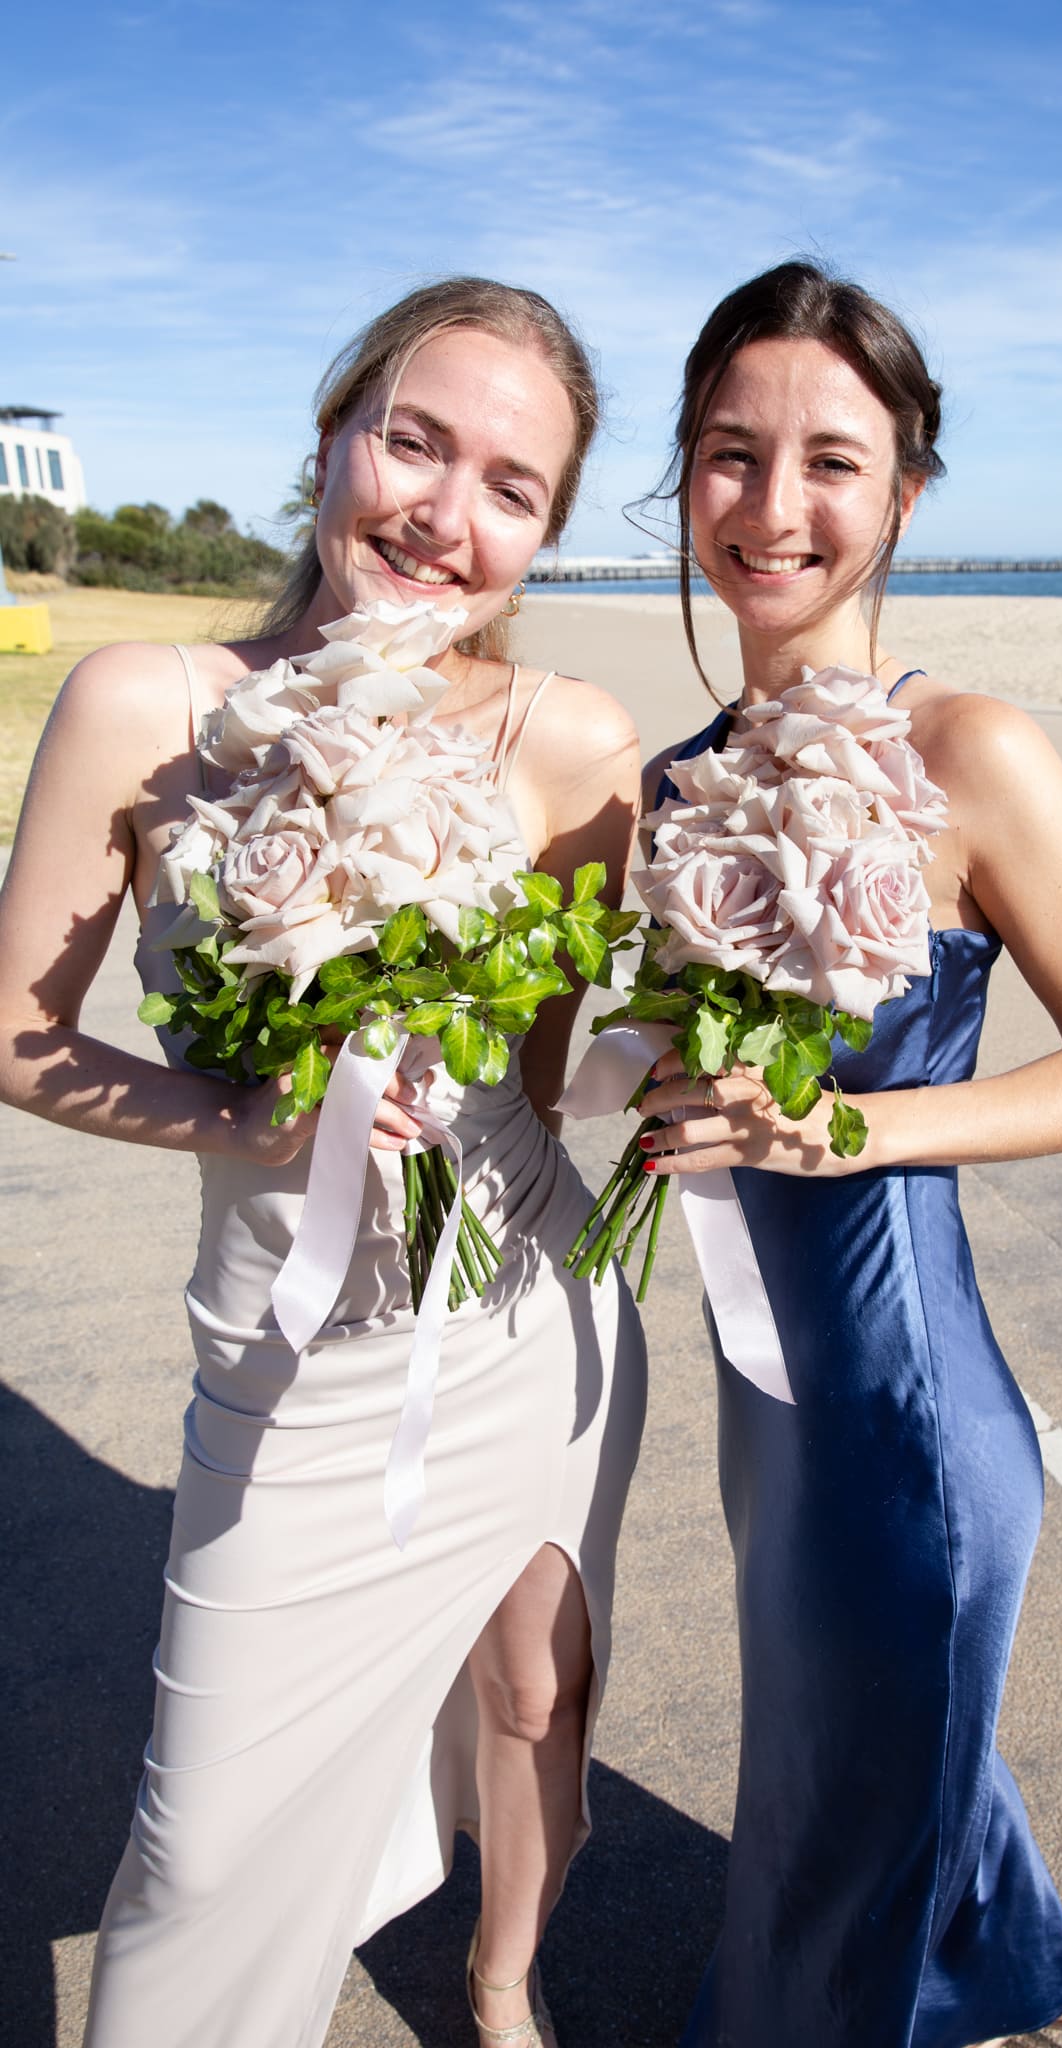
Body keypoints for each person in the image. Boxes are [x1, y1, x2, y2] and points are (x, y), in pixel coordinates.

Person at [0, 277, 647, 2048]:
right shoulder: (148, 701)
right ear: (330, 440)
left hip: (529, 1324)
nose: (447, 511)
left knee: (533, 1689)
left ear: (543, 536)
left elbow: (548, 1073)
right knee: (200, 1848)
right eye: (414, 441)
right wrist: (240, 1115)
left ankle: (503, 1981)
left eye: (510, 487)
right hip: (288, 1363)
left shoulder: (568, 743)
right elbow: (17, 1038)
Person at [637, 260, 1062, 2047]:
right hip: (762, 1402)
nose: (773, 507)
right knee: (856, 1735)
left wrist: (848, 1123)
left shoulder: (972, 752)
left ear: (906, 494)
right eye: (729, 454)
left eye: (831, 462)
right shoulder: (668, 784)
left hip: (907, 1418)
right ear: (683, 477)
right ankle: (1039, 1972)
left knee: (832, 1840)